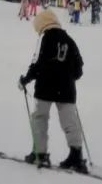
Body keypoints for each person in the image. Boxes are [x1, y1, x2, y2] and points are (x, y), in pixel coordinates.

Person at [18, 9, 86, 173]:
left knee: (40, 118)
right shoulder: (69, 40)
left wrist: (25, 79)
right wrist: (69, 78)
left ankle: (39, 154)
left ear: (43, 24)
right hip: (67, 90)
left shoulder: (46, 39)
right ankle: (76, 156)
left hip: (45, 88)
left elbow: (39, 64)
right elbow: (79, 68)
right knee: (70, 122)